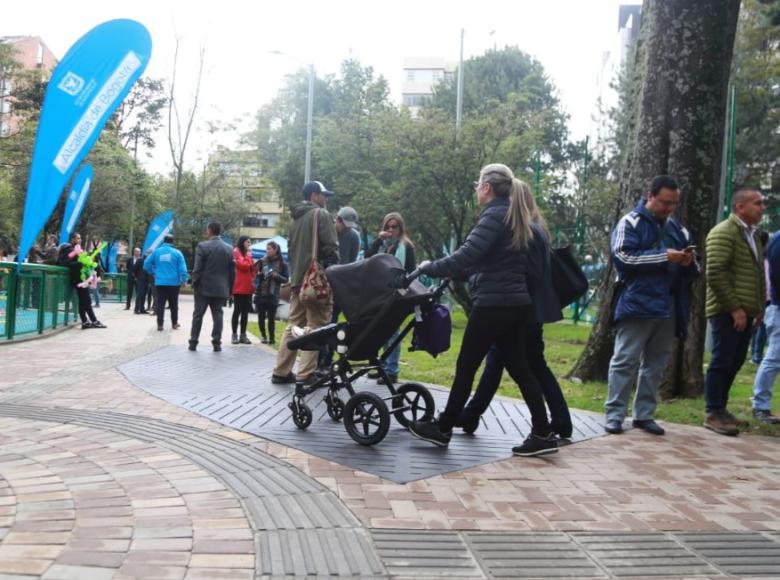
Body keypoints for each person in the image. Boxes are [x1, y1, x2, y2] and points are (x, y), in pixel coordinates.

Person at [409, 163, 557, 457]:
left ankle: (443, 428)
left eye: (478, 184)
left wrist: (430, 267)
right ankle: (542, 432)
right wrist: (462, 274)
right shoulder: (514, 216)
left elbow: (466, 255)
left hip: (493, 305)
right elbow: (490, 261)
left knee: (466, 367)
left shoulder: (494, 215)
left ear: (487, 187)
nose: (476, 188)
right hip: (514, 304)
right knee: (519, 368)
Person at [457, 181, 573, 439]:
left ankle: (471, 416)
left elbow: (526, 274)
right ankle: (471, 415)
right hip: (526, 309)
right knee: (510, 364)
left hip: (520, 310)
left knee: (515, 365)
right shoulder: (536, 228)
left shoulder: (526, 232)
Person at [604, 175, 698, 436]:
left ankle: (644, 414)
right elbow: (622, 257)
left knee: (657, 363)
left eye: (674, 203)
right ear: (650, 196)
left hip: (668, 304)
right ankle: (614, 414)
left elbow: (694, 268)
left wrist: (689, 262)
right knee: (625, 360)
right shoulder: (630, 222)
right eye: (665, 202)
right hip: (637, 302)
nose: (669, 208)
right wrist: (663, 256)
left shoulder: (678, 229)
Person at [704, 188, 766, 436]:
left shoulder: (752, 234)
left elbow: (757, 275)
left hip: (746, 311)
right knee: (722, 360)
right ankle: (713, 412)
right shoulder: (724, 232)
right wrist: (735, 308)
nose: (762, 207)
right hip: (726, 311)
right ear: (740, 207)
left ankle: (722, 408)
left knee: (736, 361)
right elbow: (716, 273)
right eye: (757, 203)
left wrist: (757, 309)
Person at [272, 181, 339, 385]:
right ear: (313, 196)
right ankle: (306, 373)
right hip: (316, 282)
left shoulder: (294, 220)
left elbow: (292, 250)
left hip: (297, 281)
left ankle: (281, 371)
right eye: (323, 195)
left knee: (293, 324)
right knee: (316, 325)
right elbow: (331, 247)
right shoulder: (322, 215)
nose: (325, 199)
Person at [365, 212, 416, 384]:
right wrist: (379, 240)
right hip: (380, 293)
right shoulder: (383, 246)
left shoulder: (406, 247)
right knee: (382, 330)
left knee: (393, 331)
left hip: (397, 294)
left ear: (401, 228)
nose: (391, 230)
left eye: (394, 227)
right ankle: (384, 367)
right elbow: (367, 258)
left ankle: (392, 370)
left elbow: (410, 270)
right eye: (387, 226)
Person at [319, 206, 362, 370]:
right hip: (326, 281)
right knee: (326, 322)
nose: (346, 228)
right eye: (344, 224)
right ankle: (322, 359)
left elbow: (352, 262)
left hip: (342, 284)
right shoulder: (328, 232)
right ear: (337, 220)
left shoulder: (354, 236)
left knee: (338, 321)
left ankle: (335, 357)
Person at [189, 222, 235, 352]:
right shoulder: (229, 248)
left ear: (209, 230)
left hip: (203, 288)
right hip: (221, 288)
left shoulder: (202, 246)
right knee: (218, 315)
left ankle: (193, 341)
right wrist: (230, 289)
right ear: (219, 231)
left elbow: (197, 268)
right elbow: (232, 272)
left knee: (198, 315)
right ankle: (217, 343)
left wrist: (194, 282)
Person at [750, 230, 780, 424]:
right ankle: (760, 406)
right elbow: (776, 274)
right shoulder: (778, 240)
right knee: (774, 358)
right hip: (778, 307)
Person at [58, 232, 106, 330]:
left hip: (81, 278)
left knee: (83, 301)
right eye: (77, 238)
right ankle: (94, 321)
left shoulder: (78, 250)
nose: (79, 240)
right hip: (78, 280)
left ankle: (85, 322)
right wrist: (80, 263)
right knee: (86, 300)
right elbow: (66, 263)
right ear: (72, 239)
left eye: (80, 238)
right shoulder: (69, 250)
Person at [144, 235, 188, 332]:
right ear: (172, 242)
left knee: (160, 303)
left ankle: (160, 325)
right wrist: (183, 280)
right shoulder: (177, 253)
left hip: (160, 282)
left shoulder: (156, 252)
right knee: (174, 304)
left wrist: (153, 272)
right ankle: (174, 323)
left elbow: (146, 264)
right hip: (174, 283)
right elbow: (183, 269)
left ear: (163, 241)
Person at [254, 241, 289, 345]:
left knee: (271, 319)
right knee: (260, 317)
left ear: (275, 250)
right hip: (261, 293)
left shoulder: (282, 263)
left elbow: (286, 279)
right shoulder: (262, 261)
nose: (267, 251)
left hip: (273, 294)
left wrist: (276, 276)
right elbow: (257, 277)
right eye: (267, 249)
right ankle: (263, 336)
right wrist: (259, 275)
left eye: (269, 249)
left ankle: (272, 338)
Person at [231, 235, 256, 344]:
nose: (249, 244)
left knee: (245, 312)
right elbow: (244, 266)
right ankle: (234, 334)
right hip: (239, 287)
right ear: (242, 242)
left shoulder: (247, 254)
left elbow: (252, 269)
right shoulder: (236, 251)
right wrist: (248, 257)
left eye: (250, 242)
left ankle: (243, 334)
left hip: (248, 287)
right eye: (248, 242)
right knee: (237, 311)